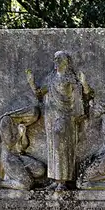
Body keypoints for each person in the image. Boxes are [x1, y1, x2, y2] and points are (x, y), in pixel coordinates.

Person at [27, 51, 90, 190]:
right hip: (51, 117)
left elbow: (83, 95)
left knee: (63, 148)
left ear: (66, 62)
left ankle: (63, 181)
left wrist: (84, 83)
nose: (56, 62)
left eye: (59, 59)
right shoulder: (50, 78)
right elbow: (39, 94)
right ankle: (56, 180)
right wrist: (31, 83)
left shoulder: (70, 79)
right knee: (53, 148)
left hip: (66, 117)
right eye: (55, 59)